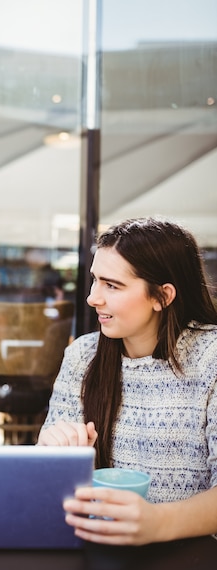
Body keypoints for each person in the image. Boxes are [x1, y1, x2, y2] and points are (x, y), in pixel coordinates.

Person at [38, 217, 217, 546]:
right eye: (95, 281)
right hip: (91, 551)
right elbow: (44, 488)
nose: (93, 298)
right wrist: (51, 455)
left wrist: (157, 523)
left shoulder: (211, 360)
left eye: (112, 285)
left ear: (162, 297)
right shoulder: (82, 356)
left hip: (191, 568)